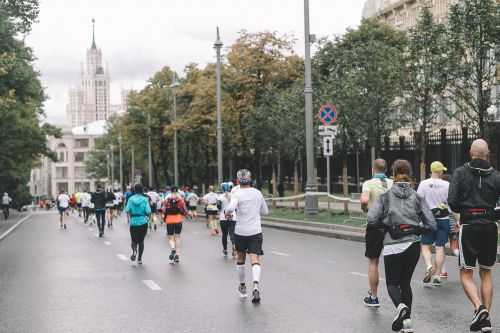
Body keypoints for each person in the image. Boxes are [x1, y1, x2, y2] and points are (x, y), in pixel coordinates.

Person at [367, 159, 436, 332]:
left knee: (392, 284)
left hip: (393, 243)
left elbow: (371, 219)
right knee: (405, 283)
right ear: (410, 175)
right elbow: (432, 224)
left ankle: (400, 308)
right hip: (413, 244)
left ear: (393, 174)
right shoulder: (417, 197)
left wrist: (386, 223)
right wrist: (418, 229)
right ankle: (407, 323)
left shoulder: (385, 197)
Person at [448, 139, 500, 332]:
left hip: (469, 225)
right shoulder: (496, 175)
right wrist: (492, 214)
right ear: (487, 154)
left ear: (471, 153)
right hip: (490, 227)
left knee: (466, 272)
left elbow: (452, 202)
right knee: (486, 272)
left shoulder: (460, 173)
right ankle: (485, 320)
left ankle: (479, 308)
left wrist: (467, 211)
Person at [225, 169, 269, 304]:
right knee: (255, 259)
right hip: (255, 231)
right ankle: (256, 285)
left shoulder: (236, 194)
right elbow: (265, 212)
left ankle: (243, 286)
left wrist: (227, 211)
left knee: (241, 259)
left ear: (238, 181)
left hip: (241, 231)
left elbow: (231, 208)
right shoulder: (258, 193)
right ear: (251, 180)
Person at [360, 158, 393, 307]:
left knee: (374, 261)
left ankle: (374, 297)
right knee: (394, 261)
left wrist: (364, 208)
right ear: (386, 169)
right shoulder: (392, 183)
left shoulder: (368, 183)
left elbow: (365, 200)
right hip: (392, 226)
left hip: (375, 226)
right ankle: (398, 296)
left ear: (373, 169)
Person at [417, 161, 450, 287]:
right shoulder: (447, 184)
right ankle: (437, 275)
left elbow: (419, 202)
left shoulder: (424, 184)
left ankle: (429, 265)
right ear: (440, 171)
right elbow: (450, 203)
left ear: (431, 170)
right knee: (440, 247)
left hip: (428, 218)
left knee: (425, 246)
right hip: (443, 218)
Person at [125, 184, 151, 265]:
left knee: (133, 240)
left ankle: (134, 251)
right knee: (141, 241)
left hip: (133, 222)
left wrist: (131, 214)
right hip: (143, 221)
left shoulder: (130, 199)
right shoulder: (145, 199)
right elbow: (148, 211)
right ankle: (139, 258)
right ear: (142, 190)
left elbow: (127, 210)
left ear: (135, 190)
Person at [162, 186, 187, 264]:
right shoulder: (180, 198)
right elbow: (184, 209)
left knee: (171, 237)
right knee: (178, 237)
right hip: (178, 219)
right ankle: (177, 255)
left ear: (170, 190)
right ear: (177, 191)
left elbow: (163, 209)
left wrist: (163, 216)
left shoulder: (167, 198)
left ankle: (173, 249)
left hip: (169, 220)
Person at [218, 182, 237, 257]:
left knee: (224, 234)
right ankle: (234, 246)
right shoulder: (234, 196)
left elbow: (218, 207)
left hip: (223, 217)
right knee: (232, 233)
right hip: (233, 216)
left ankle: (225, 249)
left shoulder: (220, 197)